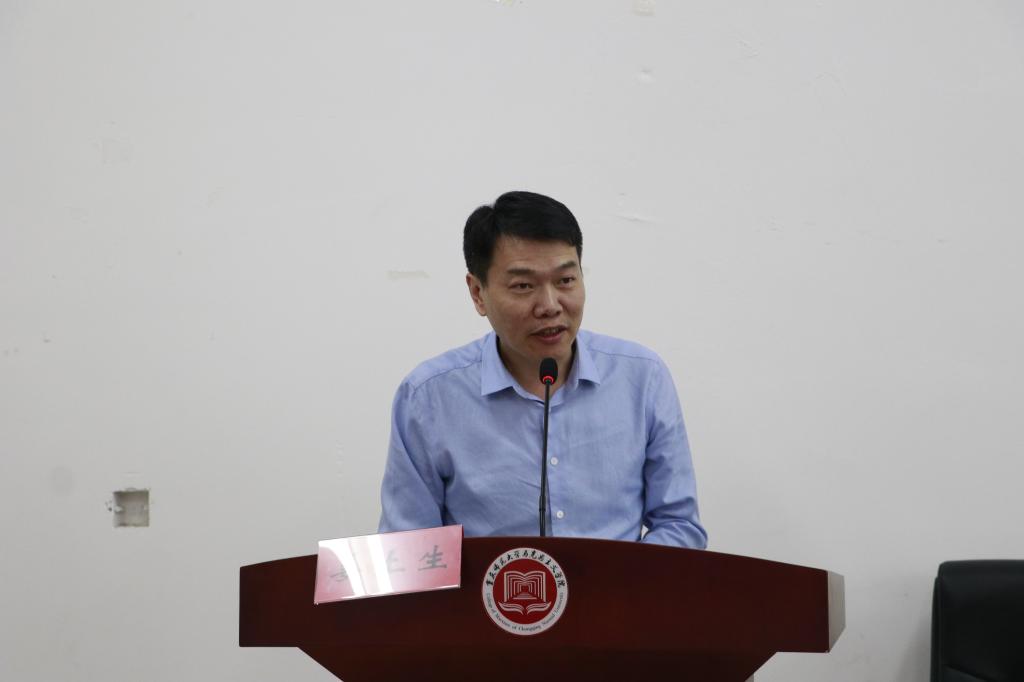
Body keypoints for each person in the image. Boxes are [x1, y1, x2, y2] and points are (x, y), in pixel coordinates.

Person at [378, 191, 707, 548]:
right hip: (488, 587)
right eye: (523, 286)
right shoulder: (428, 398)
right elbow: (408, 547)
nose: (550, 306)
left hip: (620, 585)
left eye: (565, 280)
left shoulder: (642, 378)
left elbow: (679, 525)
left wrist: (623, 582)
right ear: (477, 293)